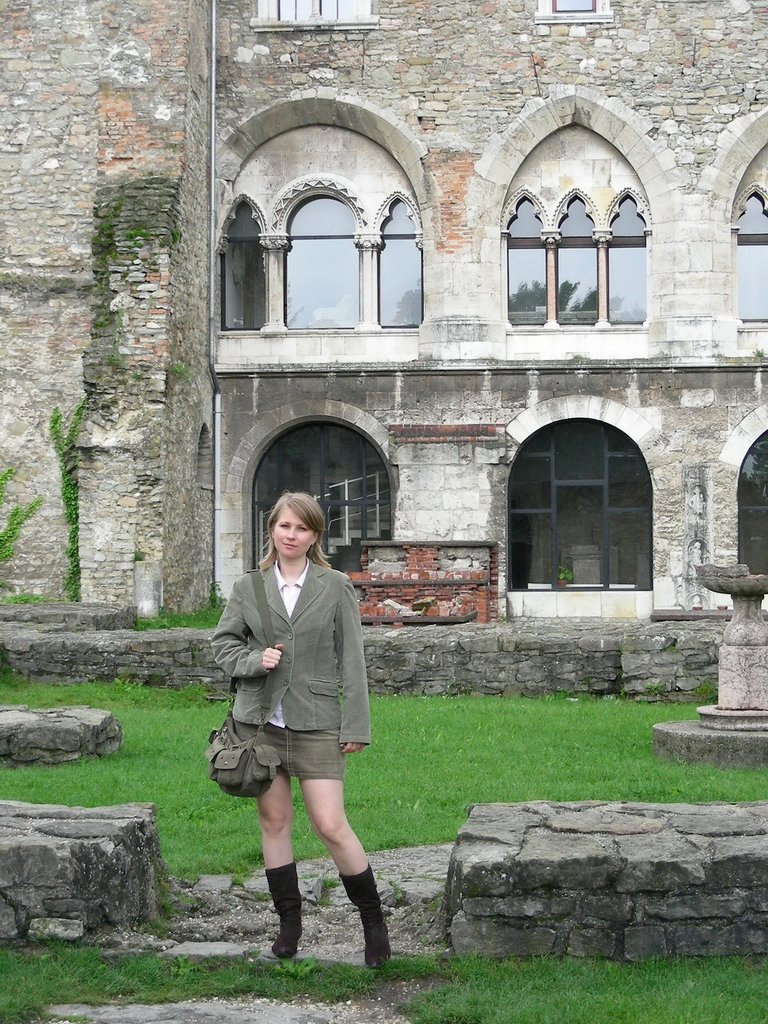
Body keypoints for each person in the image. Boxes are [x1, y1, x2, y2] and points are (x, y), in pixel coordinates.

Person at [211, 491, 391, 967]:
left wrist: (357, 724)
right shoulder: (248, 587)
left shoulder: (335, 586)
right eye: (284, 526)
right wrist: (255, 660)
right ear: (272, 528)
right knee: (274, 822)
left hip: (317, 723)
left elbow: (352, 660)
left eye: (302, 528)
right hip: (258, 726)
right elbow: (223, 646)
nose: (291, 535)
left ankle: (373, 923)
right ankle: (289, 925)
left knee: (331, 824)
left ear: (315, 536)